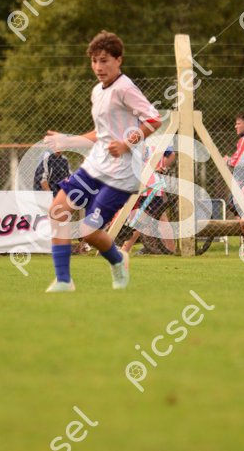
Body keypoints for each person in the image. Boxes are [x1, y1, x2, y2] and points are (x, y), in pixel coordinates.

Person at [44, 30, 161, 292]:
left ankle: (118, 260)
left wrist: (127, 143)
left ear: (119, 60)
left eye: (105, 60)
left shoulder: (125, 88)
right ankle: (63, 281)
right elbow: (102, 133)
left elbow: (154, 120)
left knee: (88, 231)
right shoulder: (97, 91)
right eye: (94, 61)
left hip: (122, 174)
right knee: (57, 212)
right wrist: (68, 141)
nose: (98, 67)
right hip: (95, 166)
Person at [121, 145, 176, 254]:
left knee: (158, 220)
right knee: (140, 221)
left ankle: (171, 249)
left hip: (150, 189)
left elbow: (171, 153)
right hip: (142, 189)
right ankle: (124, 250)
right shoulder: (134, 152)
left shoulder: (152, 149)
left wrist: (163, 167)